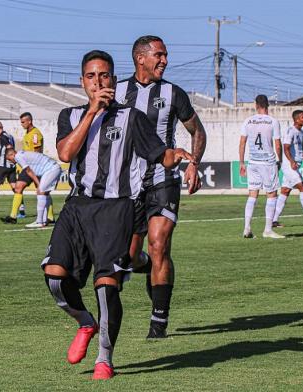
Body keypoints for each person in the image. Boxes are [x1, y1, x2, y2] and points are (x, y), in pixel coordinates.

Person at [41, 50, 194, 380]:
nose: (99, 82)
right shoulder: (69, 115)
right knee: (54, 276)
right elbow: (66, 153)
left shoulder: (131, 117)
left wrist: (178, 156)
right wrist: (92, 113)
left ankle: (104, 358)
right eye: (92, 77)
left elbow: (158, 153)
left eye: (105, 76)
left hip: (117, 209)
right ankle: (85, 322)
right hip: (78, 207)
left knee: (106, 285)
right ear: (83, 82)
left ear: (113, 78)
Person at [115, 35, 207, 338]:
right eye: (159, 55)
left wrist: (193, 163)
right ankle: (146, 266)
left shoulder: (173, 93)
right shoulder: (116, 93)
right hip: (127, 184)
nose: (165, 60)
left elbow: (197, 130)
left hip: (162, 179)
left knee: (158, 243)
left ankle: (159, 320)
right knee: (129, 255)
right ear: (140, 58)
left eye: (166, 55)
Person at [239, 95, 284, 239]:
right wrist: (280, 160)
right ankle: (268, 230)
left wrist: (241, 162)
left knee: (253, 194)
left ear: (256, 105)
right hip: (268, 162)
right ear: (267, 105)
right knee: (271, 194)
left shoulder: (248, 121)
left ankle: (247, 228)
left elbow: (242, 143)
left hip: (253, 162)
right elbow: (277, 144)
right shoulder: (273, 121)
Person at [3, 112, 55, 223]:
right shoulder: (27, 134)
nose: (21, 124)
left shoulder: (35, 134)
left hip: (36, 167)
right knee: (18, 187)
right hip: (27, 167)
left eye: (23, 122)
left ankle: (50, 217)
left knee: (43, 191)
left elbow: (37, 152)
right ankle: (13, 216)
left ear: (29, 121)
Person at [4, 149, 62, 228]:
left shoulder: (18, 156)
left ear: (11, 155)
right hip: (54, 167)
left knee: (40, 192)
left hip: (51, 169)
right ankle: (44, 220)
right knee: (44, 193)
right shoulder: (22, 154)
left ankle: (39, 221)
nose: (9, 161)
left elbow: (28, 170)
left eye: (9, 159)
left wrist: (38, 184)